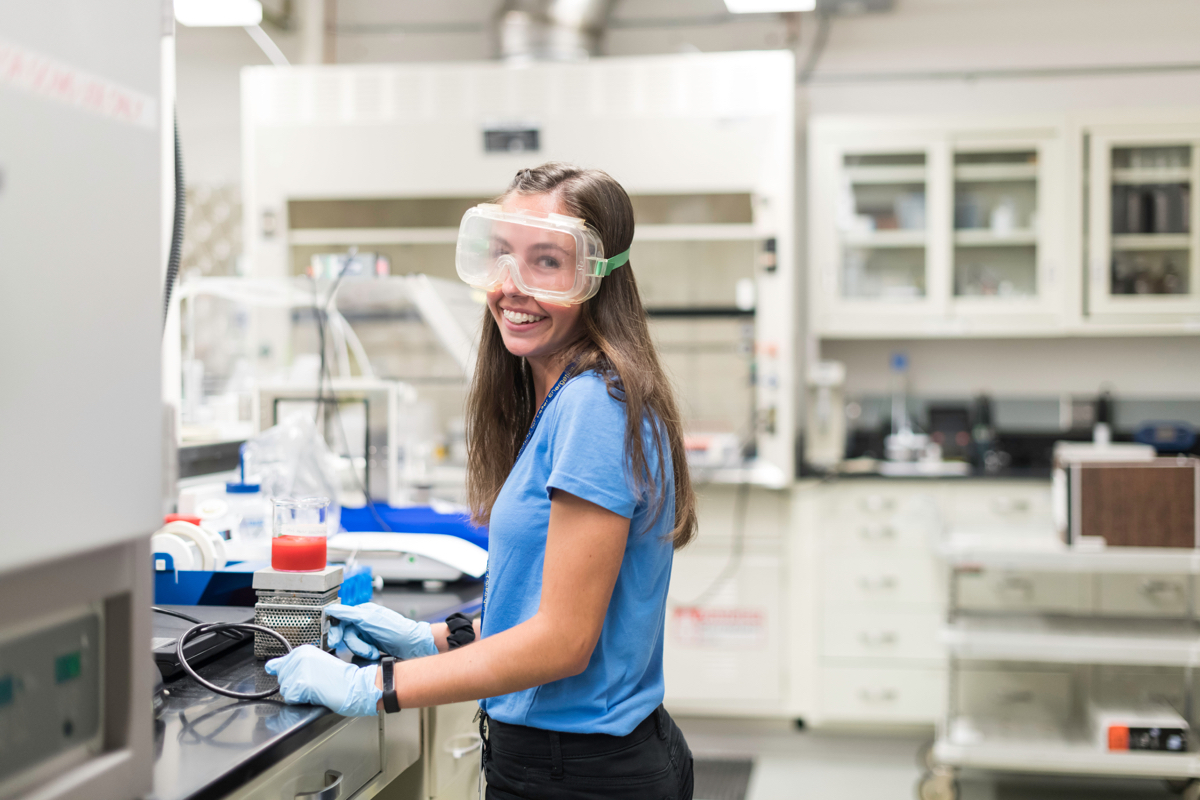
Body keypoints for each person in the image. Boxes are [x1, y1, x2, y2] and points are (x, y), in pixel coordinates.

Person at [266, 162, 698, 800]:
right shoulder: (569, 395)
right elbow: (545, 606)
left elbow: (564, 643)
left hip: (579, 776)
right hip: (584, 760)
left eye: (547, 262)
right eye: (500, 256)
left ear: (597, 276)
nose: (511, 286)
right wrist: (433, 637)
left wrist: (376, 686)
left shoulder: (593, 408)